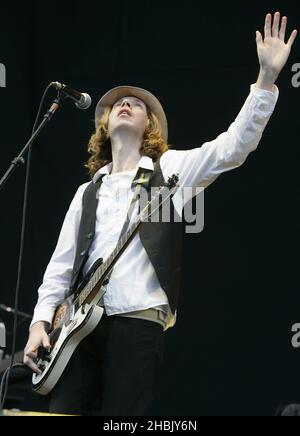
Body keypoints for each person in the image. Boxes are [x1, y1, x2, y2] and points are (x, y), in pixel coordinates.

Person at [23, 13, 297, 416]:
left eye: (136, 103)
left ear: (150, 124)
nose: (126, 103)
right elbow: (59, 268)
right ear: (104, 123)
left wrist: (266, 80)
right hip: (75, 336)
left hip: (137, 326)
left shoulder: (170, 171)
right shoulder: (87, 192)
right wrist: (39, 323)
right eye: (118, 102)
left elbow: (232, 147)